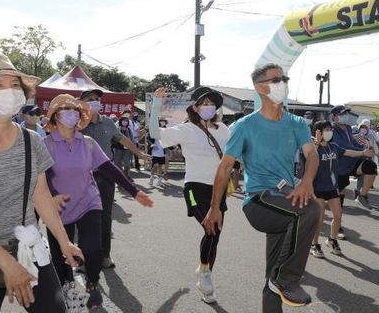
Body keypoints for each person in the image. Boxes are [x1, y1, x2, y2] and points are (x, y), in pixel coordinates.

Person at [203, 64, 319, 312]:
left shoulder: (297, 123)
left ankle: (278, 282)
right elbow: (224, 168)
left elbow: (312, 154)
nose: (282, 84)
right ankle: (287, 280)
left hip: (285, 201)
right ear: (259, 87)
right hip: (259, 201)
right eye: (275, 79)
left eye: (284, 79)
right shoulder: (245, 126)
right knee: (310, 210)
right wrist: (215, 208)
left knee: (272, 273)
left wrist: (307, 181)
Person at [0, 54, 83, 312]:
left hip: (29, 247)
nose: (9, 91)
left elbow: (40, 193)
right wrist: (8, 266)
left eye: (14, 85)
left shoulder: (31, 139)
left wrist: (64, 241)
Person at [43, 94, 153, 309]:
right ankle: (67, 287)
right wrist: (53, 195)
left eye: (75, 110)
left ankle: (92, 283)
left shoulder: (88, 143)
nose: (72, 114)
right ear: (55, 116)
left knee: (93, 249)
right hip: (58, 208)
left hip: (88, 202)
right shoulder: (46, 144)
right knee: (60, 260)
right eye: (66, 110)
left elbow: (109, 168)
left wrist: (134, 191)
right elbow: (43, 177)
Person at [149, 86, 231, 304]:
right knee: (210, 228)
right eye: (204, 103)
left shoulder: (222, 128)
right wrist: (157, 105)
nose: (208, 107)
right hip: (195, 188)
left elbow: (238, 149)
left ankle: (204, 269)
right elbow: (155, 134)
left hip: (219, 189)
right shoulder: (186, 129)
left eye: (212, 103)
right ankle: (205, 276)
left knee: (217, 232)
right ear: (195, 107)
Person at [79, 89, 151, 270]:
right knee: (82, 217)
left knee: (105, 216)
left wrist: (139, 153)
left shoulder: (109, 122)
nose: (95, 102)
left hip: (105, 174)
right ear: (81, 103)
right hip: (81, 175)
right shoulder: (76, 122)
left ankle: (105, 255)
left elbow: (123, 140)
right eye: (90, 100)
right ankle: (81, 258)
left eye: (97, 99)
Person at [309, 121, 373, 259]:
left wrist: (362, 152)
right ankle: (314, 244)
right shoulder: (313, 147)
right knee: (319, 219)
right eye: (326, 129)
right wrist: (316, 142)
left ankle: (331, 240)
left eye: (330, 129)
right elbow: (309, 157)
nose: (329, 132)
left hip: (332, 187)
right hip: (317, 188)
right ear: (318, 132)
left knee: (338, 216)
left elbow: (348, 152)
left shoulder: (334, 146)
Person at [331, 105, 377, 215]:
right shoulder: (332, 129)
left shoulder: (347, 128)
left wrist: (365, 149)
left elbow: (352, 143)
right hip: (340, 166)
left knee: (371, 167)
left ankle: (362, 195)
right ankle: (337, 220)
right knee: (339, 194)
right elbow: (342, 147)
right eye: (342, 114)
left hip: (352, 161)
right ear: (335, 116)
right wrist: (362, 152)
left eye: (346, 113)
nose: (345, 116)